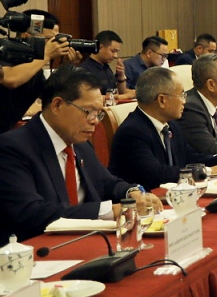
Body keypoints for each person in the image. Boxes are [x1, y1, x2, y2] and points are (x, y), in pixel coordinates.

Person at [0, 66, 162, 240]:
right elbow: (33, 213)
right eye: (88, 112)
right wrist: (110, 210)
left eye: (98, 114)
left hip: (88, 241)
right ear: (57, 105)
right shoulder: (13, 147)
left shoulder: (80, 144)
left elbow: (107, 183)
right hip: (41, 250)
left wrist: (132, 193)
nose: (95, 121)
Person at [108, 67, 217, 189]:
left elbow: (189, 156)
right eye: (181, 95)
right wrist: (212, 171)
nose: (185, 101)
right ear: (162, 100)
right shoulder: (132, 132)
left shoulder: (170, 124)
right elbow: (156, 173)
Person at [0, 11, 76, 132]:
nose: (55, 45)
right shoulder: (3, 53)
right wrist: (46, 56)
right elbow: (10, 79)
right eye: (50, 39)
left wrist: (67, 66)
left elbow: (53, 96)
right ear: (26, 37)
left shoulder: (35, 71)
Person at [79, 30, 132, 98]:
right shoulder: (85, 70)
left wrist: (121, 76)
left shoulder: (106, 67)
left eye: (117, 52)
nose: (115, 56)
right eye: (113, 51)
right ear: (100, 48)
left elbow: (121, 92)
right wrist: (125, 96)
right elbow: (91, 98)